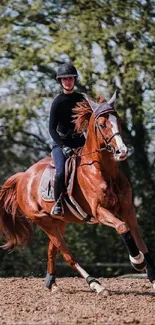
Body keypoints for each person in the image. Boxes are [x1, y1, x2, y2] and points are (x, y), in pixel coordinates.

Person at [49, 62, 85, 216]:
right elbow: (51, 129)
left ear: (74, 80)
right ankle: (57, 202)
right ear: (61, 82)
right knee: (60, 172)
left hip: (80, 142)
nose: (68, 81)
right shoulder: (57, 102)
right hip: (61, 143)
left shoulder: (82, 98)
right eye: (64, 79)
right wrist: (63, 146)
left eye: (70, 78)